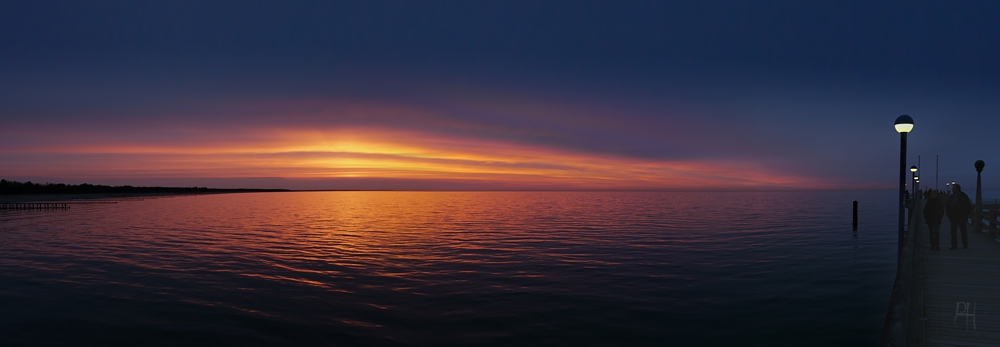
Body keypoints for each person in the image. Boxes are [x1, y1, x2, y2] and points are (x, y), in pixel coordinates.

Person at [946, 183, 973, 249]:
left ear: (957, 189)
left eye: (953, 188)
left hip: (962, 217)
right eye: (952, 188)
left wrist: (966, 214)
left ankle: (965, 244)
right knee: (953, 232)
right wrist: (949, 215)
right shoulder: (952, 197)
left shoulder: (963, 196)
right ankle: (954, 245)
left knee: (963, 231)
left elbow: (968, 206)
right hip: (953, 217)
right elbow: (948, 206)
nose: (952, 189)